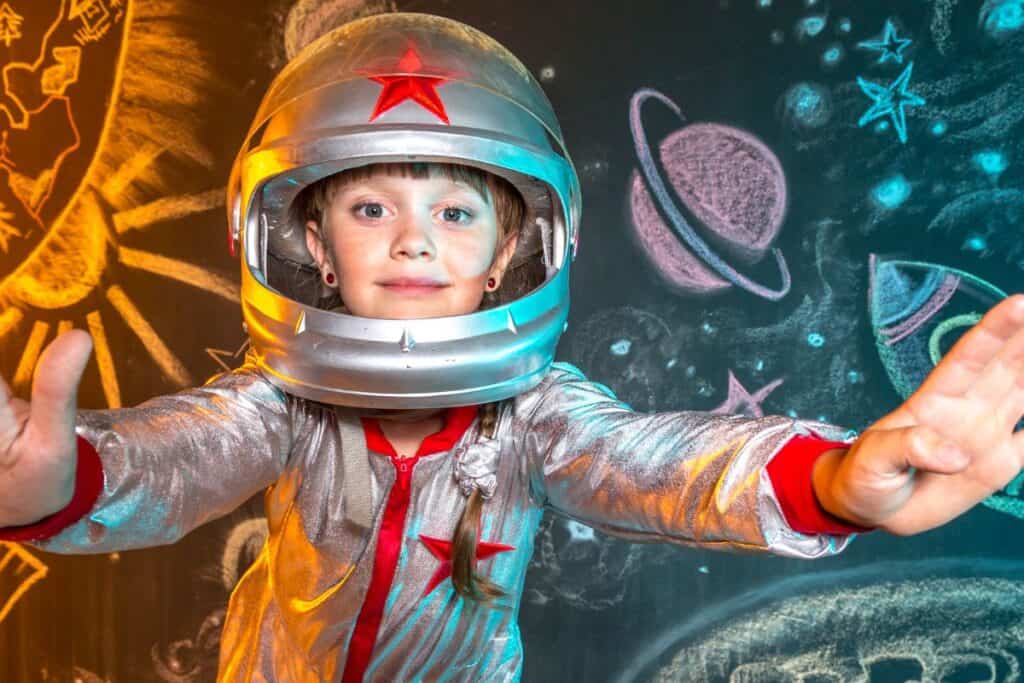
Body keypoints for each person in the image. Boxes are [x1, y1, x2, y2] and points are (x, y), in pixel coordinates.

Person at [1, 12, 1022, 683]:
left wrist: (834, 480)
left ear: (510, 253)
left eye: (454, 209)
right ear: (307, 241)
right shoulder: (281, 404)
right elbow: (174, 459)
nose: (411, 238)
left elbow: (664, 467)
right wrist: (58, 482)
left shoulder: (537, 413)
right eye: (367, 205)